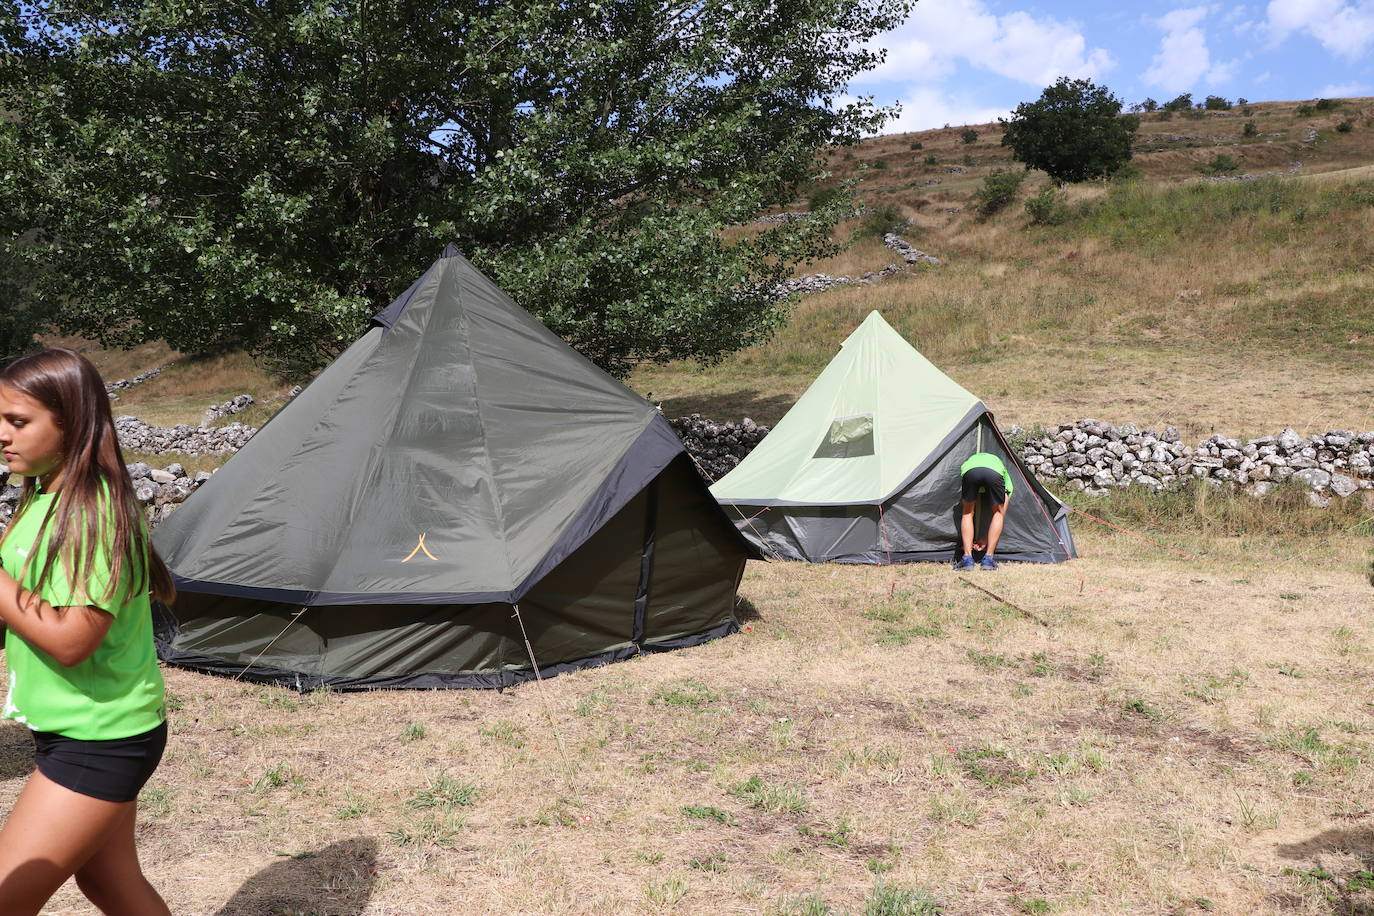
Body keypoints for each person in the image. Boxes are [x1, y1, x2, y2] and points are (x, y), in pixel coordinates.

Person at [0, 347, 174, 916]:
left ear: (70, 422)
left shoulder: (95, 510)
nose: (3, 435)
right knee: (109, 884)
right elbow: (26, 602)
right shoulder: (44, 494)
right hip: (72, 726)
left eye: (18, 421)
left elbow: (73, 641)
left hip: (102, 736)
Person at [955, 451, 1013, 571]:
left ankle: (967, 559)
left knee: (967, 513)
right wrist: (986, 540)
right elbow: (1002, 510)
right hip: (994, 473)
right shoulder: (1000, 468)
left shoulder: (969, 462)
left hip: (970, 472)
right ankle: (988, 560)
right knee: (998, 513)